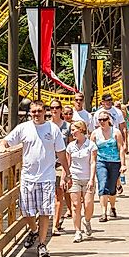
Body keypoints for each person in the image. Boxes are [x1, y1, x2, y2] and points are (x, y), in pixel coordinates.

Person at [0, 99, 70, 257]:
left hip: (47, 176)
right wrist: (2, 147)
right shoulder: (23, 128)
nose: (36, 114)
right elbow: (6, 140)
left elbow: (61, 153)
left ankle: (42, 244)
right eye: (33, 111)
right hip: (28, 176)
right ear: (30, 113)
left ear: (45, 112)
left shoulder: (53, 129)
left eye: (39, 111)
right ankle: (34, 230)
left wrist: (67, 173)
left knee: (45, 211)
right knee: (25, 211)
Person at [65, 120, 97, 242]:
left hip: (88, 177)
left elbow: (93, 162)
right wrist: (66, 177)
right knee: (75, 205)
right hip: (74, 178)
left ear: (81, 129)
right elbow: (67, 164)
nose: (72, 132)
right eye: (71, 130)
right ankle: (77, 231)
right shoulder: (70, 146)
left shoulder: (91, 145)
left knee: (88, 205)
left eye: (74, 130)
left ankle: (87, 220)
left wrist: (92, 179)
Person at [91, 111, 125, 221]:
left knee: (111, 187)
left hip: (115, 162)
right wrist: (91, 164)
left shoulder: (116, 132)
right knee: (102, 184)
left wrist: (123, 164)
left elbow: (121, 149)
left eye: (104, 119)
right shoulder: (95, 134)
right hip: (101, 162)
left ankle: (113, 207)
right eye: (100, 120)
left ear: (109, 120)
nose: (102, 122)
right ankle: (103, 213)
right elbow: (92, 151)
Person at [50, 100, 71, 236]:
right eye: (52, 108)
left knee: (59, 194)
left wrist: (67, 169)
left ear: (61, 110)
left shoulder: (67, 127)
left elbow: (69, 148)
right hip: (46, 165)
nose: (54, 110)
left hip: (60, 164)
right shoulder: (46, 126)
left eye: (57, 107)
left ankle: (55, 225)